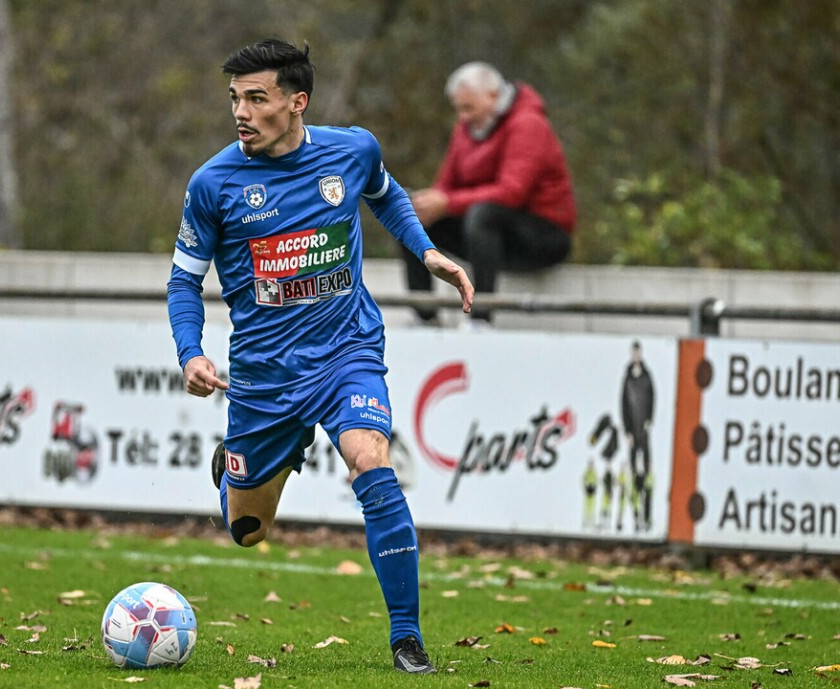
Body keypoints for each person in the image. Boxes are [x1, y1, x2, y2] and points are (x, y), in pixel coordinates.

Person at [167, 38, 474, 675]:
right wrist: (190, 352)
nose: (241, 113)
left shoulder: (352, 150)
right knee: (247, 532)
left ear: (297, 101)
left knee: (371, 459)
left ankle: (406, 638)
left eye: (257, 97)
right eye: (235, 99)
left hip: (346, 350)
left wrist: (426, 252)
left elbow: (385, 195)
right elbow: (182, 283)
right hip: (264, 377)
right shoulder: (214, 183)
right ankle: (234, 468)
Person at [404, 61, 575, 324]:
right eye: (459, 109)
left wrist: (448, 202)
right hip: (486, 234)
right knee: (409, 214)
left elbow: (512, 193)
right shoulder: (466, 128)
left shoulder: (529, 124)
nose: (462, 116)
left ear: (493, 97)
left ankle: (480, 318)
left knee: (483, 214)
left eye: (468, 108)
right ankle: (425, 315)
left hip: (543, 236)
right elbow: (446, 186)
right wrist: (428, 203)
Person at [621, 340, 654, 529]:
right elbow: (623, 404)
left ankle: (647, 515)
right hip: (633, 431)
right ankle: (635, 516)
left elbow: (652, 397)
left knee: (647, 474)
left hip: (644, 431)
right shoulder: (627, 377)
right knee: (634, 474)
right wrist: (627, 430)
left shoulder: (647, 376)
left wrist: (649, 420)